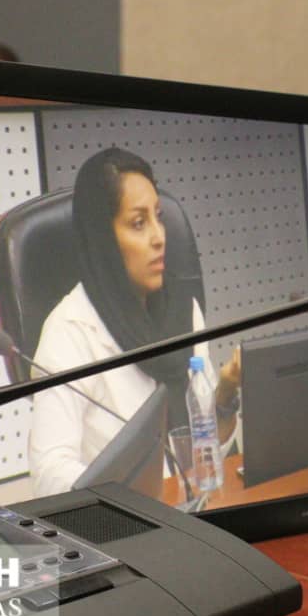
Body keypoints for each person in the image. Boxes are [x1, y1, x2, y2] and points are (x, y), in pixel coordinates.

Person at [28, 147, 240, 496]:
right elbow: (49, 472)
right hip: (124, 518)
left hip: (193, 510)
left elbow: (206, 454)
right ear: (103, 238)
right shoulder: (70, 333)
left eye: (158, 217)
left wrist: (225, 398)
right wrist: (125, 497)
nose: (159, 236)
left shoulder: (183, 310)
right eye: (139, 223)